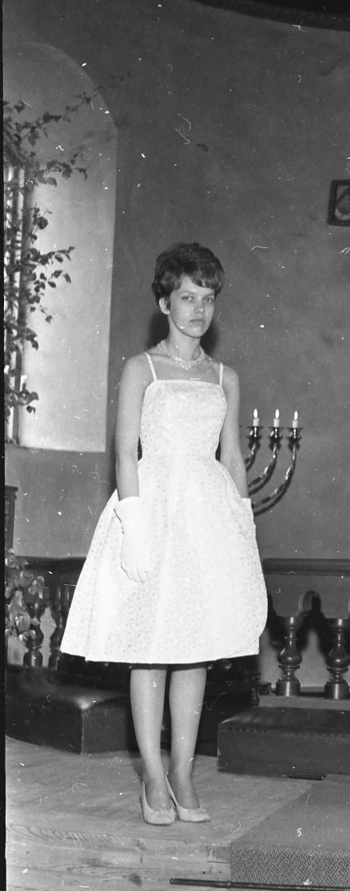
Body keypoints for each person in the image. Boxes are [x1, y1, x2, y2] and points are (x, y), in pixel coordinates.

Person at [62, 243, 267, 825]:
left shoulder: (225, 377)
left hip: (206, 518)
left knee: (195, 649)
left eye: (208, 299)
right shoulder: (141, 369)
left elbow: (232, 457)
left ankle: (183, 772)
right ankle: (152, 776)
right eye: (187, 298)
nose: (198, 310)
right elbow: (125, 454)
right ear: (164, 303)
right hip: (152, 510)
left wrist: (243, 523)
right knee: (151, 647)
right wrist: (134, 526)